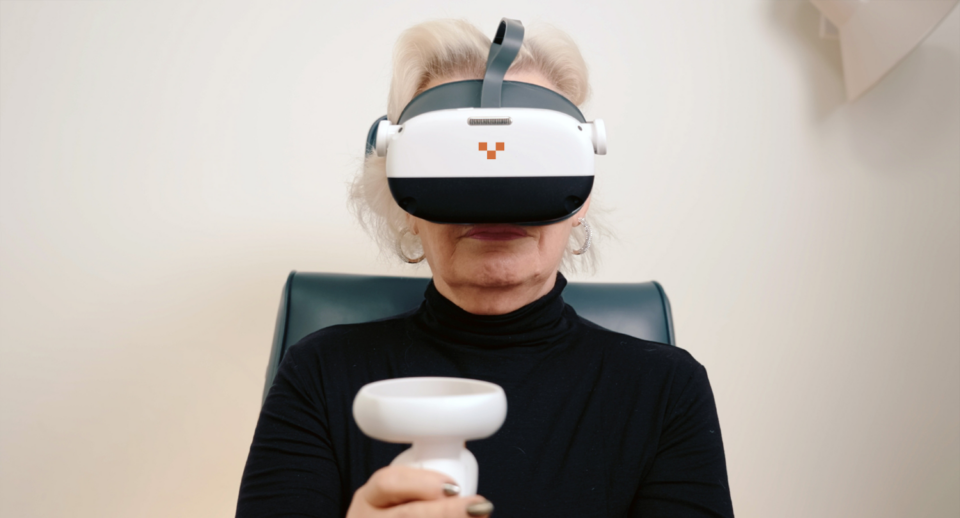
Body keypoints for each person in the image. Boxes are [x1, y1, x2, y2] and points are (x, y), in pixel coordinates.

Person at [237, 19, 733, 518]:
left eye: (530, 158)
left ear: (581, 193)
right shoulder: (318, 375)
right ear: (403, 194)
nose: (495, 198)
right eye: (453, 160)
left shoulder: (666, 391)